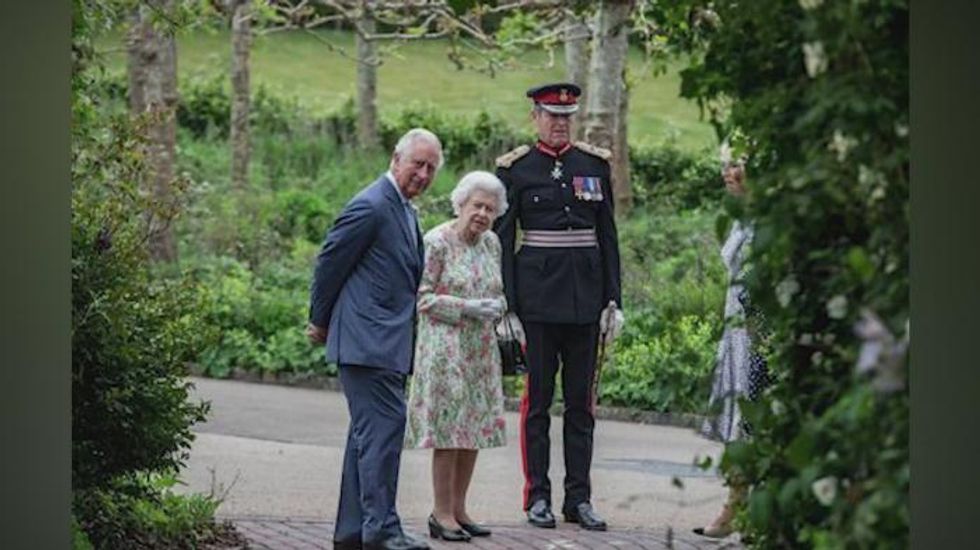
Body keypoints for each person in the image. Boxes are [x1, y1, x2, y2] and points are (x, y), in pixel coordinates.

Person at [493, 83, 624, 532]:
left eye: (566, 116)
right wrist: (507, 307)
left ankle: (579, 498)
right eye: (551, 115)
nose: (559, 122)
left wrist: (613, 300)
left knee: (581, 407)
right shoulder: (515, 169)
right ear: (535, 117)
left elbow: (608, 239)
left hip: (586, 302)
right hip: (537, 304)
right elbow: (503, 242)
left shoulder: (594, 166)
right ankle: (538, 497)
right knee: (537, 405)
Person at [307, 128, 443, 550]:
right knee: (384, 432)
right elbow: (330, 261)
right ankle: (381, 530)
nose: (422, 174)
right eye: (416, 164)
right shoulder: (371, 205)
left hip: (385, 342)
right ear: (395, 159)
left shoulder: (403, 208)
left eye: (431, 168)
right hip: (367, 343)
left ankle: (354, 532)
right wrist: (320, 320)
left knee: (367, 437)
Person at [403, 170, 510, 543]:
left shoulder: (492, 243)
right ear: (460, 204)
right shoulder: (436, 242)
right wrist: (466, 307)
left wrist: (497, 306)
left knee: (474, 430)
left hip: (481, 350)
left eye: (490, 209)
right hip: (445, 350)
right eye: (477, 206)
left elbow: (497, 289)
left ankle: (460, 509)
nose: (482, 214)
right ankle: (441, 512)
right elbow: (422, 298)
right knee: (449, 432)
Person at [695, 159, 771, 539]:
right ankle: (740, 506)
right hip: (737, 330)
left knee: (753, 420)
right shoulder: (743, 215)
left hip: (759, 331)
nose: (728, 172)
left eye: (738, 165)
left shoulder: (768, 220)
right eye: (725, 164)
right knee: (742, 421)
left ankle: (742, 509)